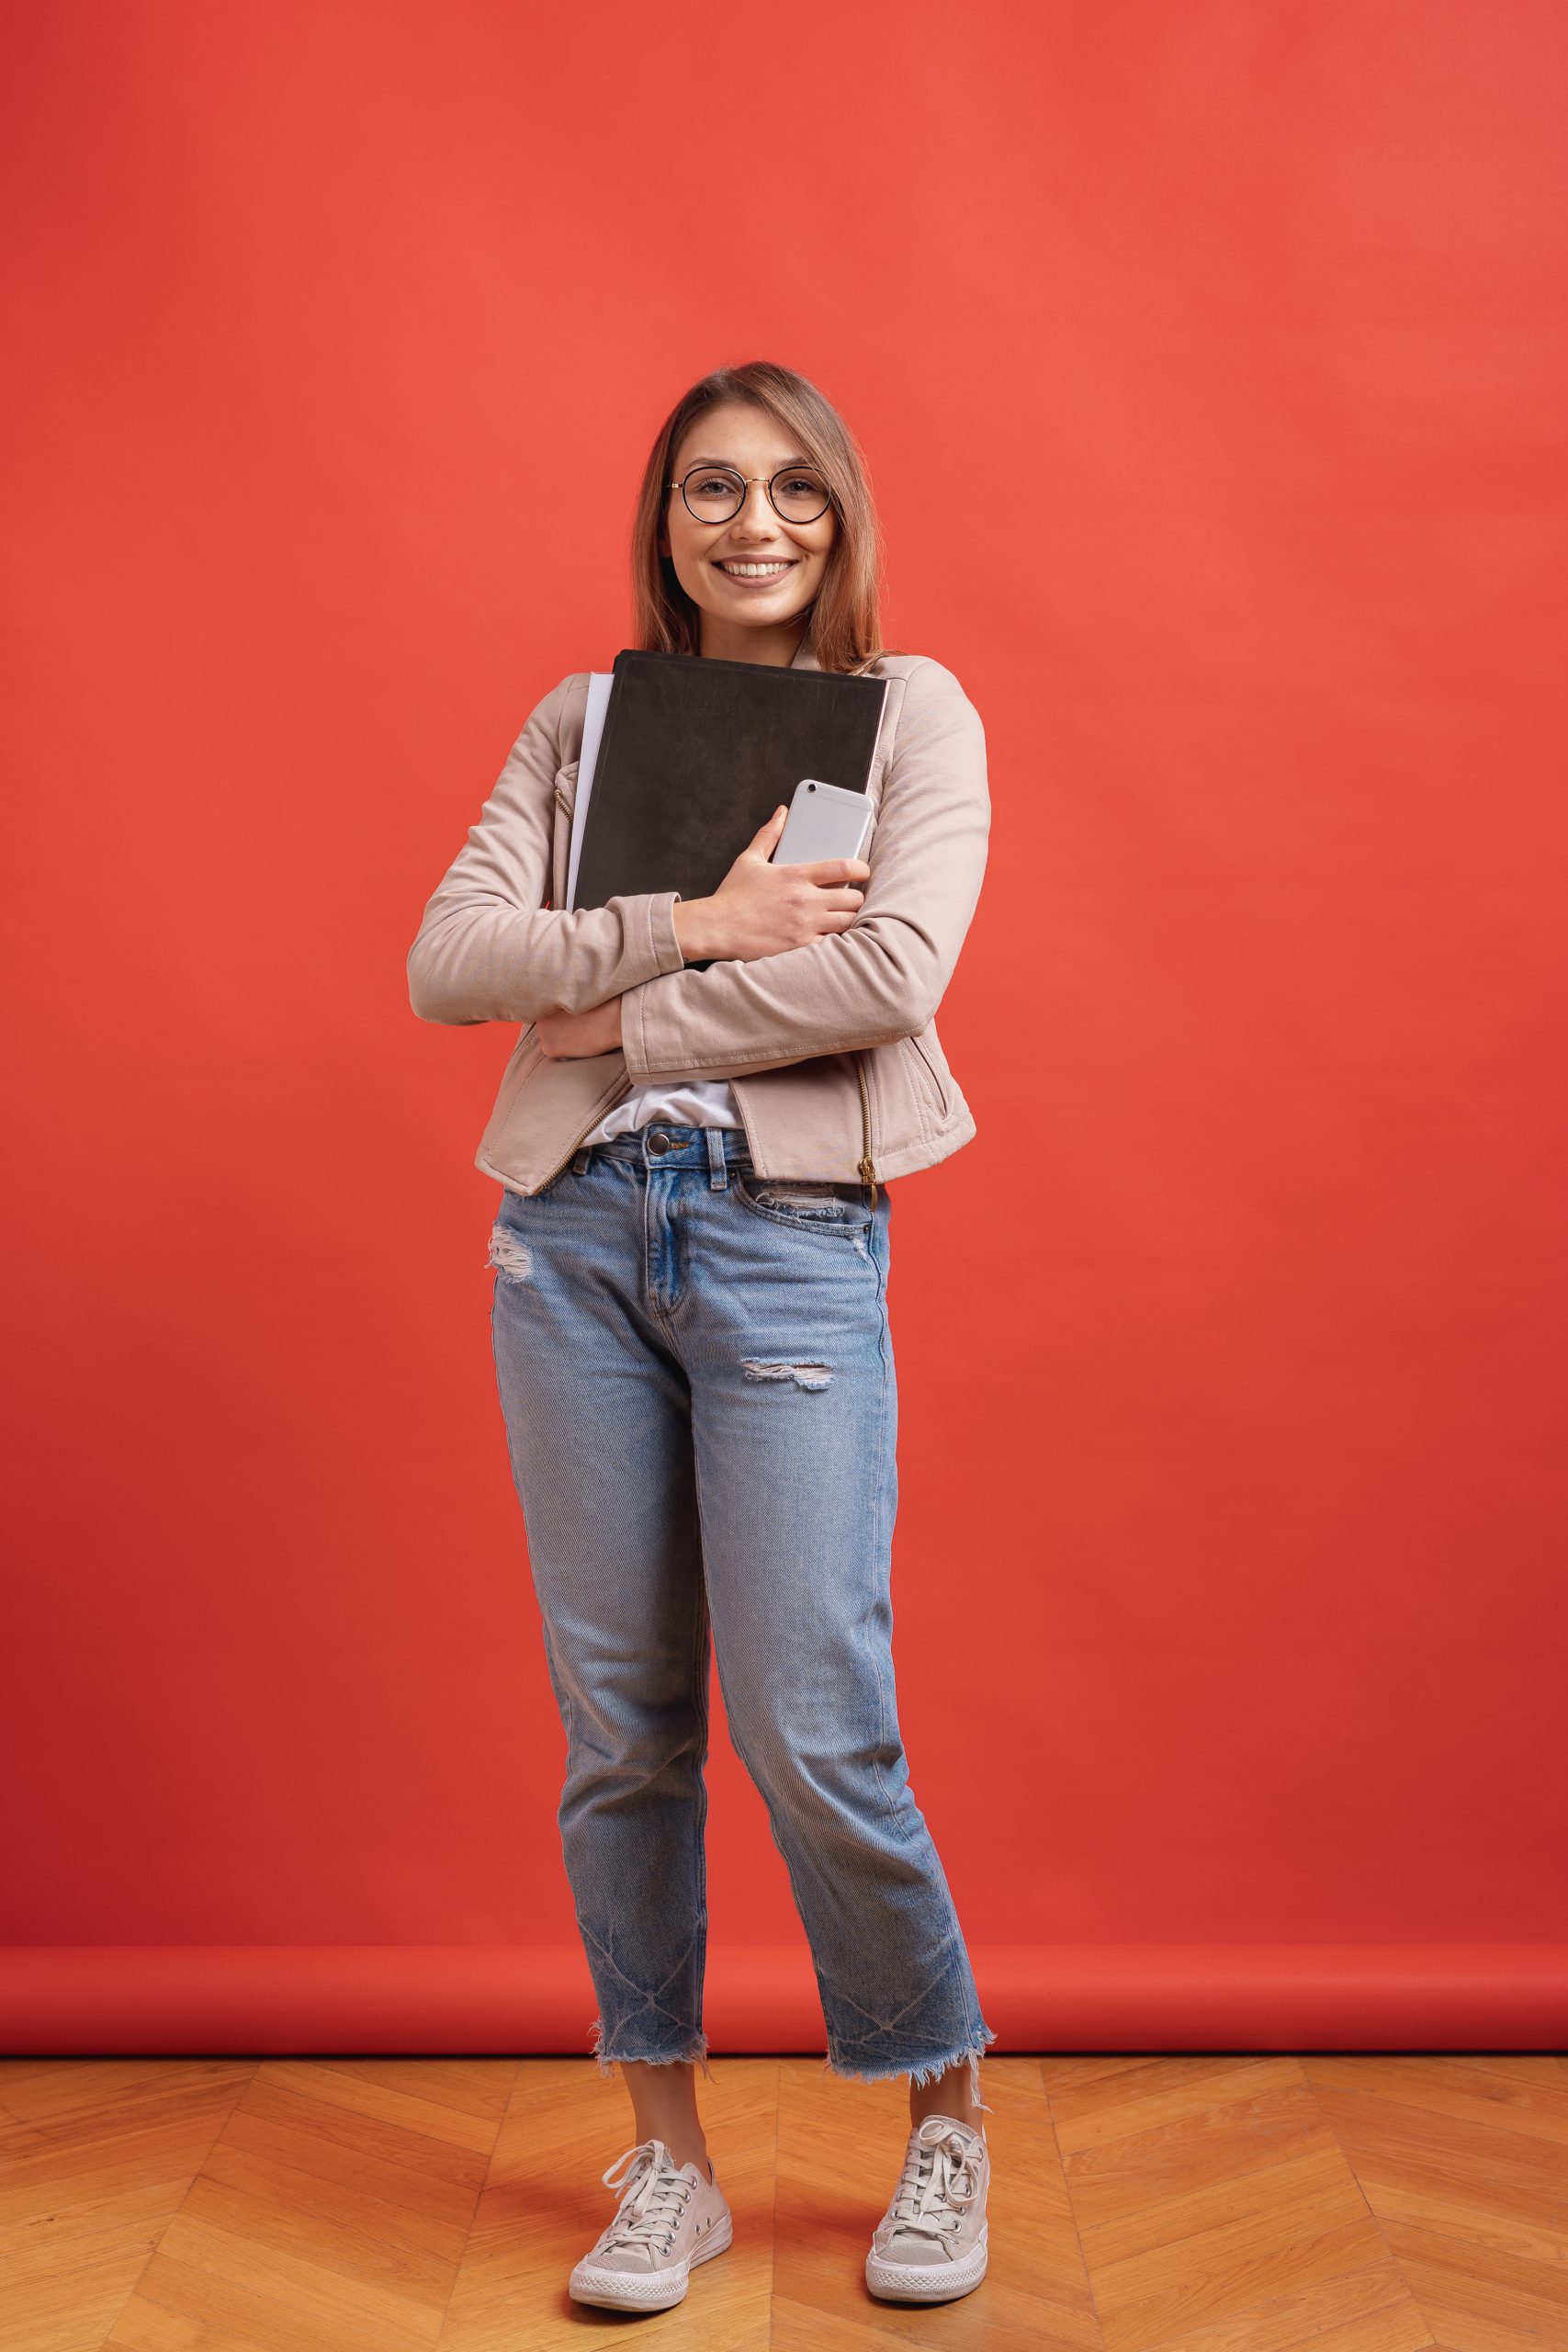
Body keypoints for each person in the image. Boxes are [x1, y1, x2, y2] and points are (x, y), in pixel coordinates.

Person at [407, 360, 996, 2312]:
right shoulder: (582, 718)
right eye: (709, 490)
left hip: (787, 1235)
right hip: (566, 1246)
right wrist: (696, 917)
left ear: (841, 515)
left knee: (809, 1708)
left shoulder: (914, 713)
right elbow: (449, 958)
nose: (751, 524)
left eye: (792, 491)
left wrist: (620, 1018)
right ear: (662, 520)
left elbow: (893, 971)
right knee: (619, 1729)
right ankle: (666, 2158)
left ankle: (940, 2112)